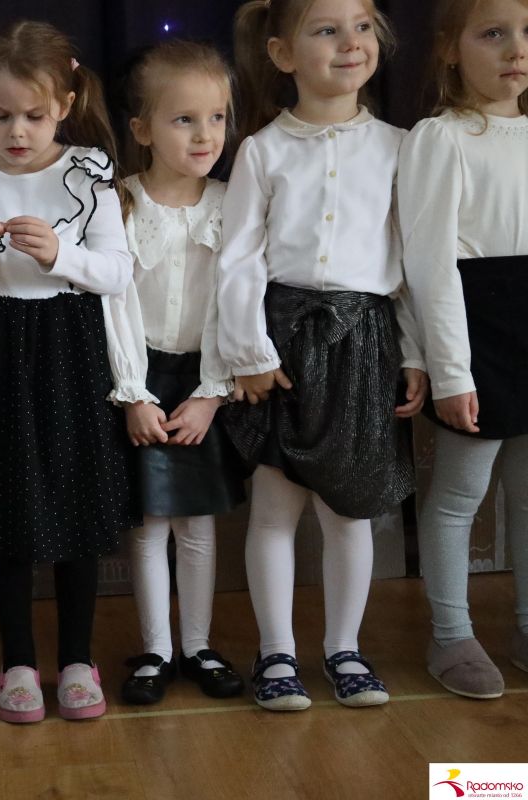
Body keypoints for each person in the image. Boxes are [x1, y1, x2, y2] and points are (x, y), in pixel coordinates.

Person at [221, 0, 428, 710]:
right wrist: (248, 350)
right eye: (326, 29)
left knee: (350, 511)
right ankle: (276, 652)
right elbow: (239, 258)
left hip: (365, 342)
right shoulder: (262, 150)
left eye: (362, 26)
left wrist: (416, 353)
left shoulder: (401, 147)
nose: (350, 43)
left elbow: (412, 263)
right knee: (274, 508)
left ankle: (345, 648)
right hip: (282, 341)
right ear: (283, 54)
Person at [0, 20, 137, 723]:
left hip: (71, 346)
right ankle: (17, 663)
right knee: (9, 510)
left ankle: (77, 660)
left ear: (66, 105)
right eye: (1, 116)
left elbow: (117, 273)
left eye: (34, 115)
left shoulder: (88, 172)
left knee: (77, 507)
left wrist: (59, 255)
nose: (17, 131)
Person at [105, 40, 246, 706]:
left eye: (216, 118)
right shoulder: (119, 204)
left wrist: (212, 395)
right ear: (142, 130)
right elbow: (114, 304)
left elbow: (233, 303)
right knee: (149, 521)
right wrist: (132, 394)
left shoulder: (232, 202)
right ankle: (156, 649)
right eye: (184, 119)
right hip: (139, 377)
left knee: (196, 522)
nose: (204, 134)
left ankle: (197, 645)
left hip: (202, 379)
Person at [399, 0, 528, 700]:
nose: (516, 48)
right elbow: (428, 263)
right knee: (460, 493)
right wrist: (452, 371)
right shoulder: (441, 138)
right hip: (479, 329)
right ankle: (450, 633)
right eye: (494, 33)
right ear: (451, 48)